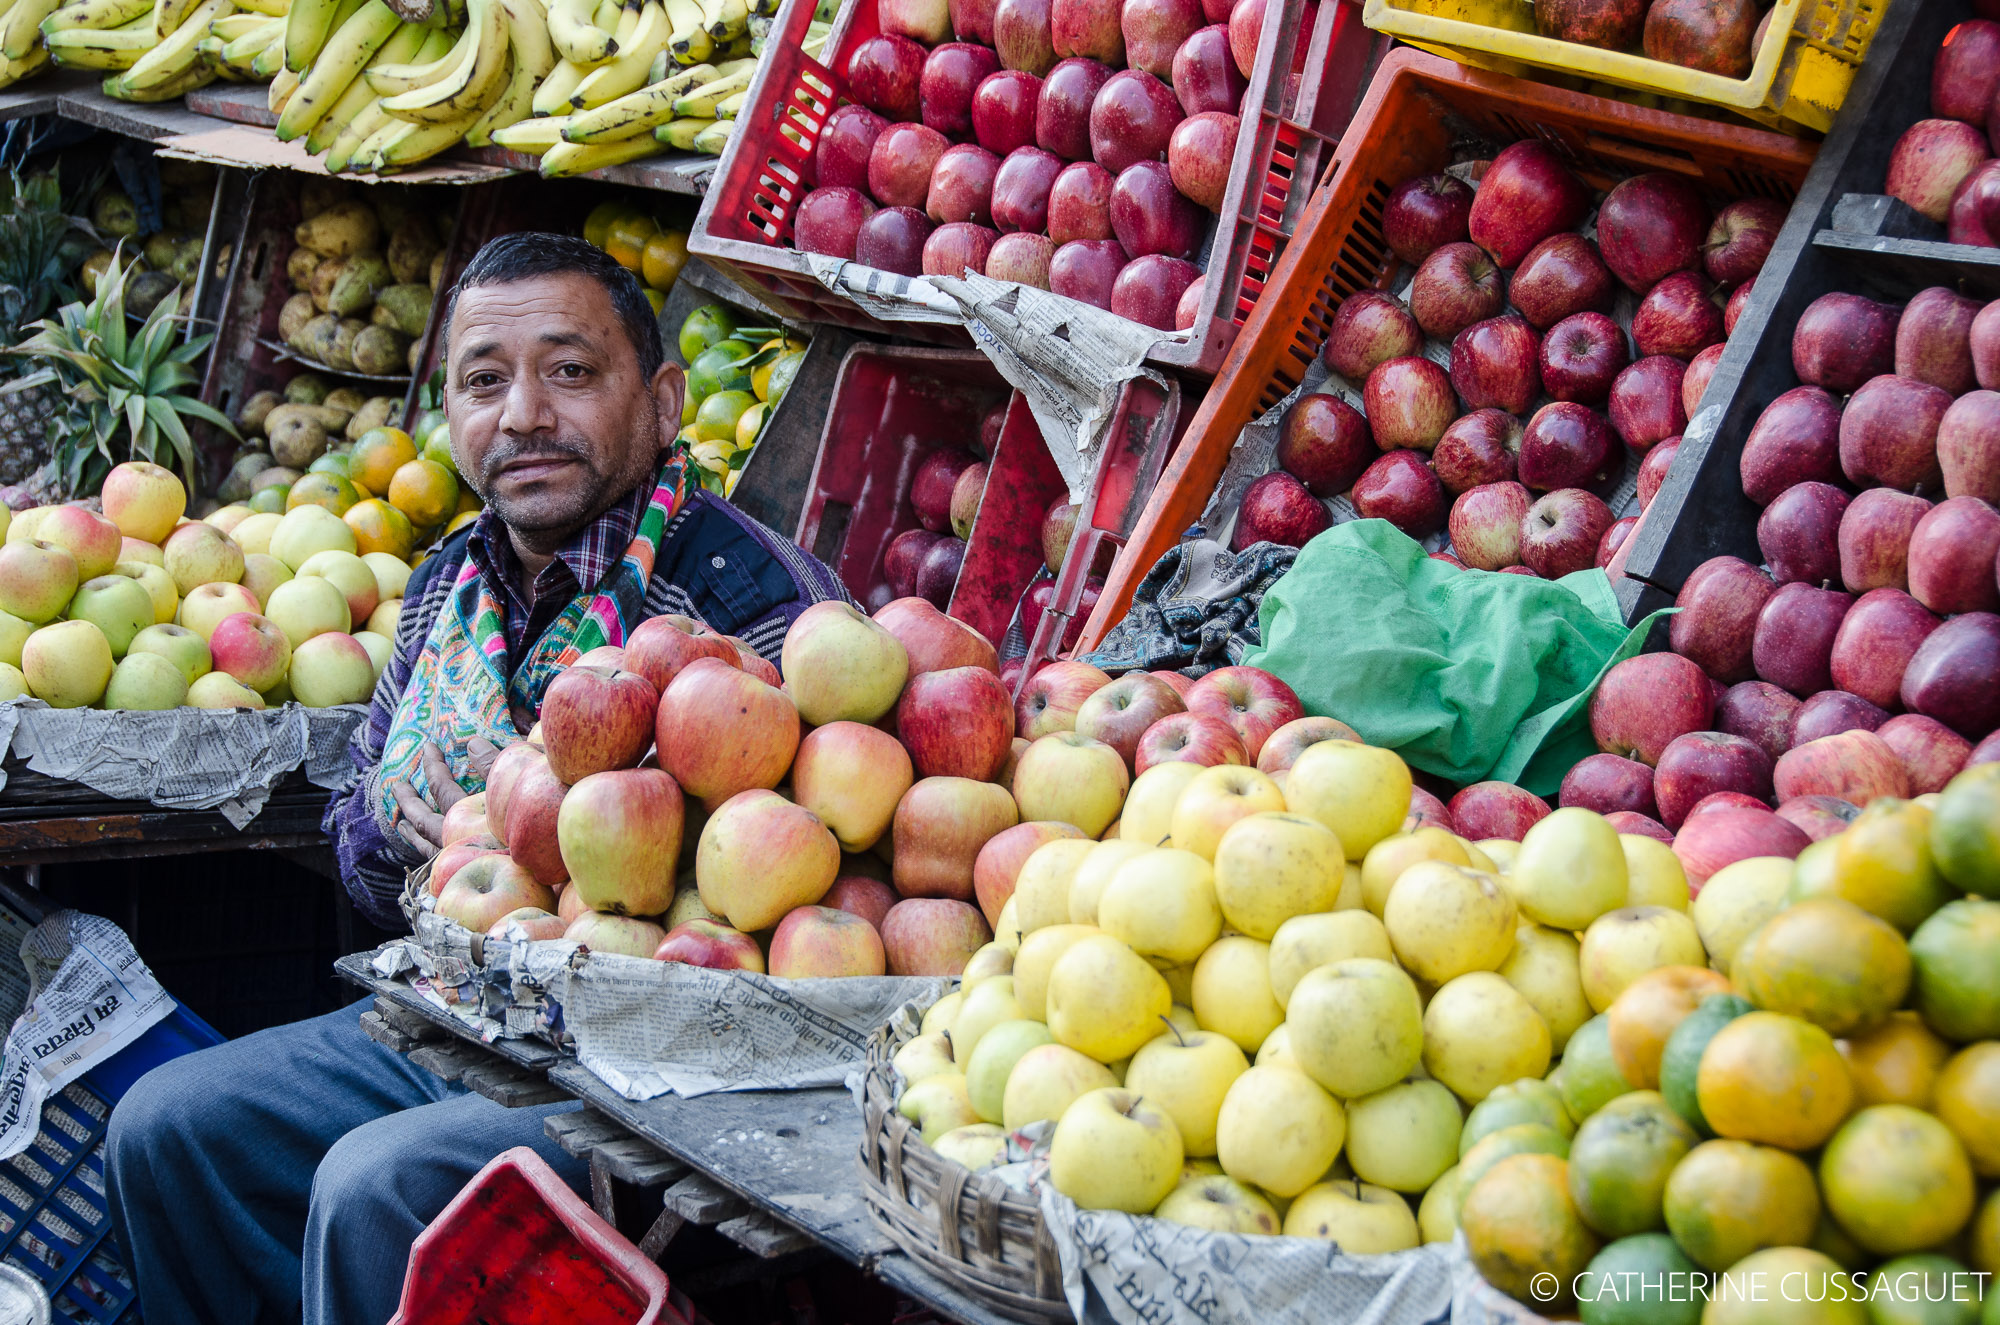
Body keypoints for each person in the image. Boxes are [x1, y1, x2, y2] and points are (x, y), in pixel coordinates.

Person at [104, 233, 850, 1325]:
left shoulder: (751, 600)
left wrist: (555, 859)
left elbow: (813, 896)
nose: (524, 415)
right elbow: (357, 816)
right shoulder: (449, 580)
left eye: (570, 372)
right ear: (449, 414)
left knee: (378, 1187)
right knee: (165, 1125)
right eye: (484, 381)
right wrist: (399, 838)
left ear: (665, 399)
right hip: (458, 1013)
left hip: (646, 1071)